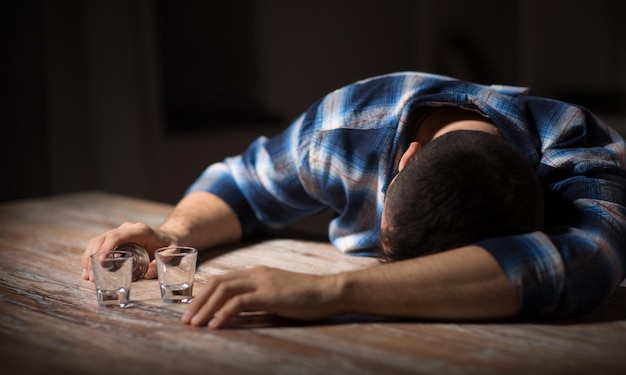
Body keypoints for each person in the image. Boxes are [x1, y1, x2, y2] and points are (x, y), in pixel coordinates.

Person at [81, 72, 626, 329]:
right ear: (405, 160)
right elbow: (244, 183)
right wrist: (175, 235)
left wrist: (332, 291)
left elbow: (586, 263)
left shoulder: (582, 156)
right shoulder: (350, 124)